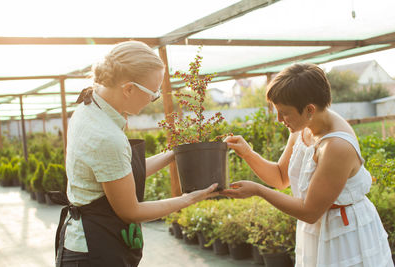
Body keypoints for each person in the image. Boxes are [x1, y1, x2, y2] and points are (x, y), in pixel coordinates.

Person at [54, 41, 219, 267]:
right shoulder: (106, 136)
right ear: (129, 88)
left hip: (88, 243)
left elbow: (120, 172)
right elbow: (130, 211)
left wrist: (175, 154)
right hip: (94, 253)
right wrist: (188, 199)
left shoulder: (89, 106)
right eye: (154, 92)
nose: (155, 97)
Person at [222, 63, 393, 266]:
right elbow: (280, 178)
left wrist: (259, 191)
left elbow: (310, 211)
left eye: (284, 112)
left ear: (309, 109)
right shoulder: (303, 127)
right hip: (318, 229)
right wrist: (248, 153)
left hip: (346, 234)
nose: (278, 119)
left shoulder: (336, 146)